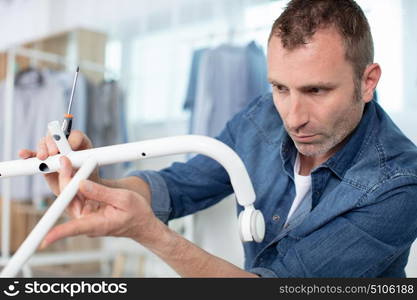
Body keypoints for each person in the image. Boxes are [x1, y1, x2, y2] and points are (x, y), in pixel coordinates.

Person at [20, 0, 417, 277]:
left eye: (316, 91)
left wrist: (149, 233)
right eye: (281, 87)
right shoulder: (261, 115)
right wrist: (93, 184)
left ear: (367, 82)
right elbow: (178, 187)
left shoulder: (399, 185)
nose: (293, 118)